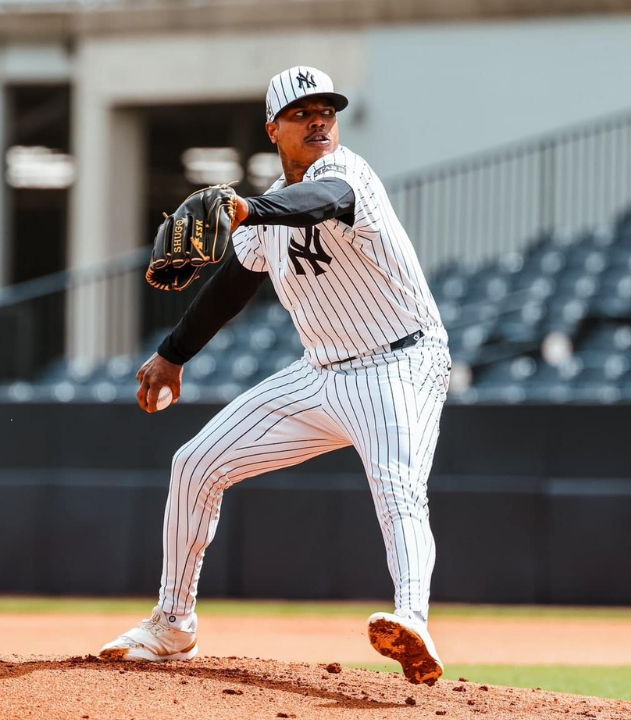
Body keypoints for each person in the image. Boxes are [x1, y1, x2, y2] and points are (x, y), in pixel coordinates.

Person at [100, 65, 451, 685]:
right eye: (301, 113)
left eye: (327, 111)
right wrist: (172, 354)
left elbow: (323, 201)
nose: (319, 120)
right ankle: (172, 624)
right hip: (320, 374)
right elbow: (229, 287)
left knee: (397, 483)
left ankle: (412, 621)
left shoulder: (347, 174)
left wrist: (245, 207)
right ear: (274, 129)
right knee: (194, 463)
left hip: (401, 362)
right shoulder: (266, 216)